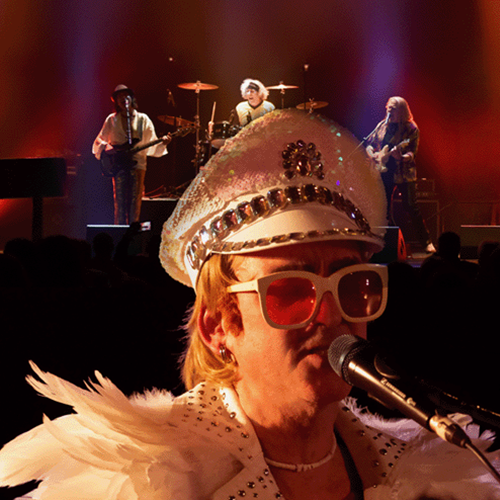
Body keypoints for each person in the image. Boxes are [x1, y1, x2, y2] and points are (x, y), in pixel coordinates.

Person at [1, 110, 499, 499]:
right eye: (291, 289)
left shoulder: (426, 468)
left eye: (353, 283)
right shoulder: (141, 481)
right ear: (218, 326)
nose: (332, 315)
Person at [92, 85, 172, 225]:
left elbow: (152, 142)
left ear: (132, 98)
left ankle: (133, 232)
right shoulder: (111, 119)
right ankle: (120, 232)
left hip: (137, 165)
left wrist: (163, 143)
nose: (123, 99)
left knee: (135, 204)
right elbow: (99, 140)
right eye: (119, 97)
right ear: (116, 102)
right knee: (120, 204)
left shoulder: (143, 119)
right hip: (118, 165)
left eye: (126, 95)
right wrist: (106, 146)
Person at [366, 96, 436, 254]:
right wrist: (372, 155)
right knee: (383, 208)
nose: (389, 111)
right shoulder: (382, 126)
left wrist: (402, 157)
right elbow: (370, 144)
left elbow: (412, 152)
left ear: (402, 111)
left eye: (393, 109)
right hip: (383, 171)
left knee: (411, 206)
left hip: (404, 173)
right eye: (388, 108)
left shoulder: (411, 128)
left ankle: (426, 242)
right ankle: (385, 244)